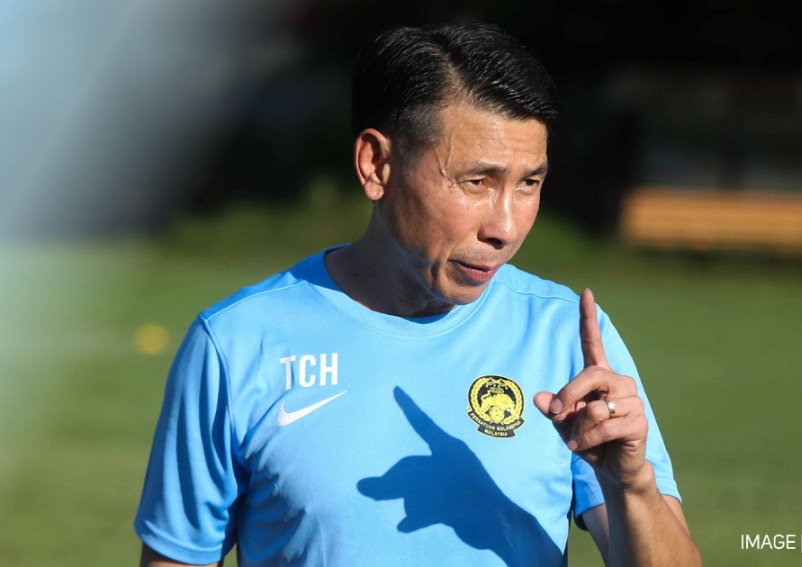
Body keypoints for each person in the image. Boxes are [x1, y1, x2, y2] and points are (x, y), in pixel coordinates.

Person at [135, 21, 701, 566]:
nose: (505, 227)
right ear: (377, 165)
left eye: (529, 183)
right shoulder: (236, 344)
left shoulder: (567, 337)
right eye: (476, 182)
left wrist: (631, 486)